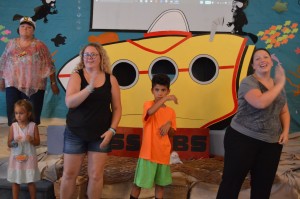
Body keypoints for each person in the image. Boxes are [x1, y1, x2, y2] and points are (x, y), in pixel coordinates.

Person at [216, 48, 290, 199]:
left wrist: (286, 131)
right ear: (253, 66)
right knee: (231, 184)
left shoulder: (277, 86)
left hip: (271, 143)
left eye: (265, 57)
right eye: (258, 59)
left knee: (263, 187)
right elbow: (260, 102)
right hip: (242, 139)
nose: (262, 60)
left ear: (271, 61)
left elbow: (283, 111)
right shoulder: (248, 82)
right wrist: (280, 83)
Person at [60, 43, 122, 199]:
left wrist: (112, 130)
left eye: (93, 54)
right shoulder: (77, 76)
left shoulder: (111, 79)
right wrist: (89, 88)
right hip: (75, 132)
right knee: (69, 174)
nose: (89, 57)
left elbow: (117, 108)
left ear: (101, 57)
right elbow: (70, 102)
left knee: (95, 176)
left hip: (101, 134)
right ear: (82, 58)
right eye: (86, 55)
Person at [0, 16, 59, 126]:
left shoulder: (40, 45)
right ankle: (14, 138)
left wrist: (53, 83)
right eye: (22, 26)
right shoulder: (11, 44)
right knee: (14, 113)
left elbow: (50, 65)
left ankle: (32, 138)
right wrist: (2, 80)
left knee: (32, 113)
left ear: (33, 30)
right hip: (12, 83)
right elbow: (4, 63)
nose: (25, 29)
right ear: (18, 29)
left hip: (35, 85)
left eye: (28, 27)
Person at [130, 73, 178, 199]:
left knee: (160, 186)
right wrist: (166, 99)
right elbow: (150, 112)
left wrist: (169, 124)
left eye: (163, 90)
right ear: (152, 91)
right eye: (157, 90)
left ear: (168, 91)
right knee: (138, 184)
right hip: (148, 154)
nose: (160, 93)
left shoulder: (171, 112)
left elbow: (172, 133)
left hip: (163, 154)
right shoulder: (148, 104)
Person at [7, 99, 41, 199]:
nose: (18, 116)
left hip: (29, 158)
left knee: (30, 181)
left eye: (21, 113)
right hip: (16, 158)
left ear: (28, 114)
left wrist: (31, 140)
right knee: (15, 181)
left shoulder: (33, 126)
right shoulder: (13, 126)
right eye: (16, 113)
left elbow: (37, 142)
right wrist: (14, 142)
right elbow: (9, 144)